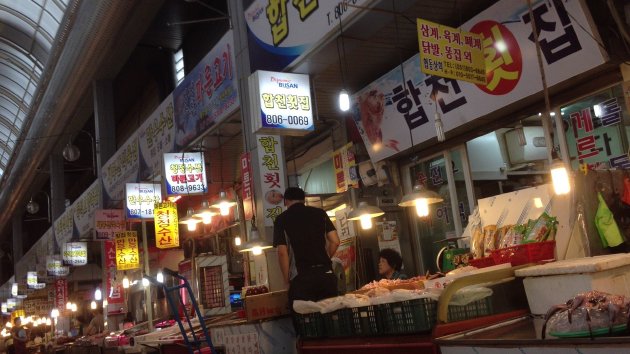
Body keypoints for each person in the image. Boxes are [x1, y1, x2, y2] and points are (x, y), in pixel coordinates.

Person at [273, 187, 341, 307]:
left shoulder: (281, 219)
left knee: (306, 320)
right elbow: (335, 241)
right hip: (326, 275)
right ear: (303, 200)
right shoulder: (321, 214)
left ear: (286, 201)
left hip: (302, 278)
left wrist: (286, 281)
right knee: (330, 317)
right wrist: (324, 258)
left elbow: (282, 252)